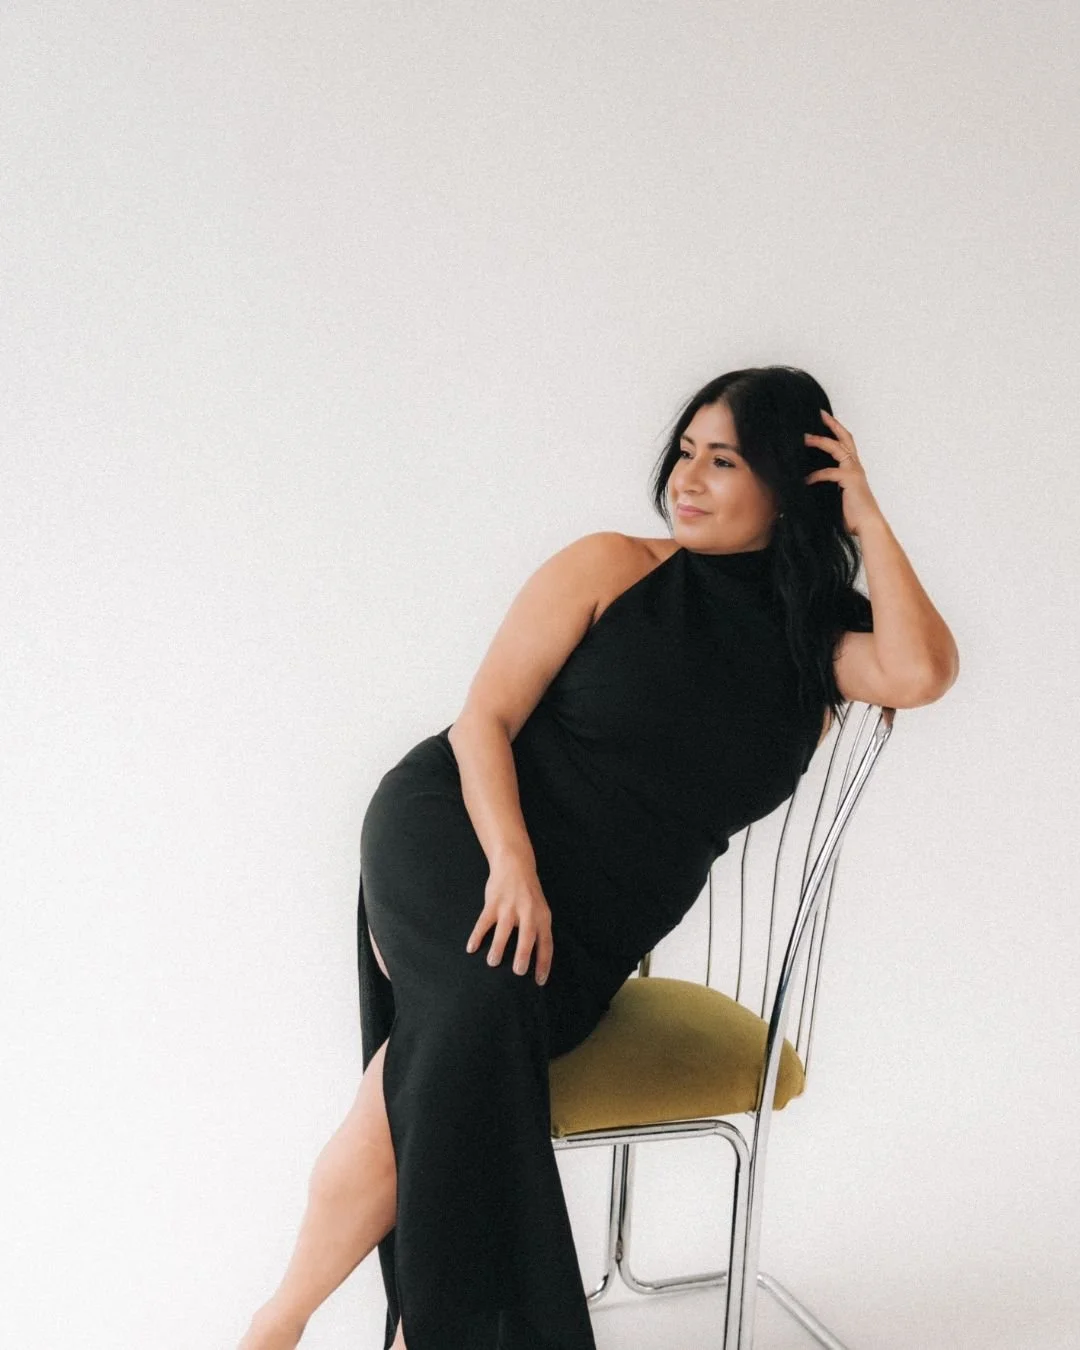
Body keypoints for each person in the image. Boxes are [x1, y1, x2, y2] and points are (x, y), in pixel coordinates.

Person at [236, 366, 959, 1350]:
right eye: (685, 452)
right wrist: (512, 866)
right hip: (462, 834)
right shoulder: (613, 566)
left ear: (791, 486)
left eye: (725, 459)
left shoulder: (817, 649)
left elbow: (922, 671)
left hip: (586, 929)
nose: (687, 476)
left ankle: (278, 1329)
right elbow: (481, 723)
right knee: (481, 1008)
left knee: (450, 1047)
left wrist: (867, 515)